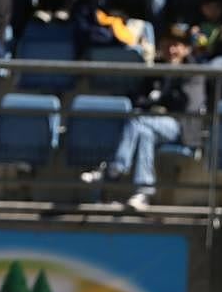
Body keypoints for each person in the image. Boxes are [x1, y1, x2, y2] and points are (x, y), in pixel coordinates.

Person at [80, 23, 204, 211]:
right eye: (168, 44)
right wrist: (152, 102)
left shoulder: (193, 72)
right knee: (145, 133)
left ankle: (114, 169)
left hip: (180, 126)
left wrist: (159, 101)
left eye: (177, 45)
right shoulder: (157, 68)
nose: (171, 49)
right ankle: (143, 192)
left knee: (138, 119)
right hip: (151, 123)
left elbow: (188, 105)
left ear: (186, 48)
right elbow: (140, 97)